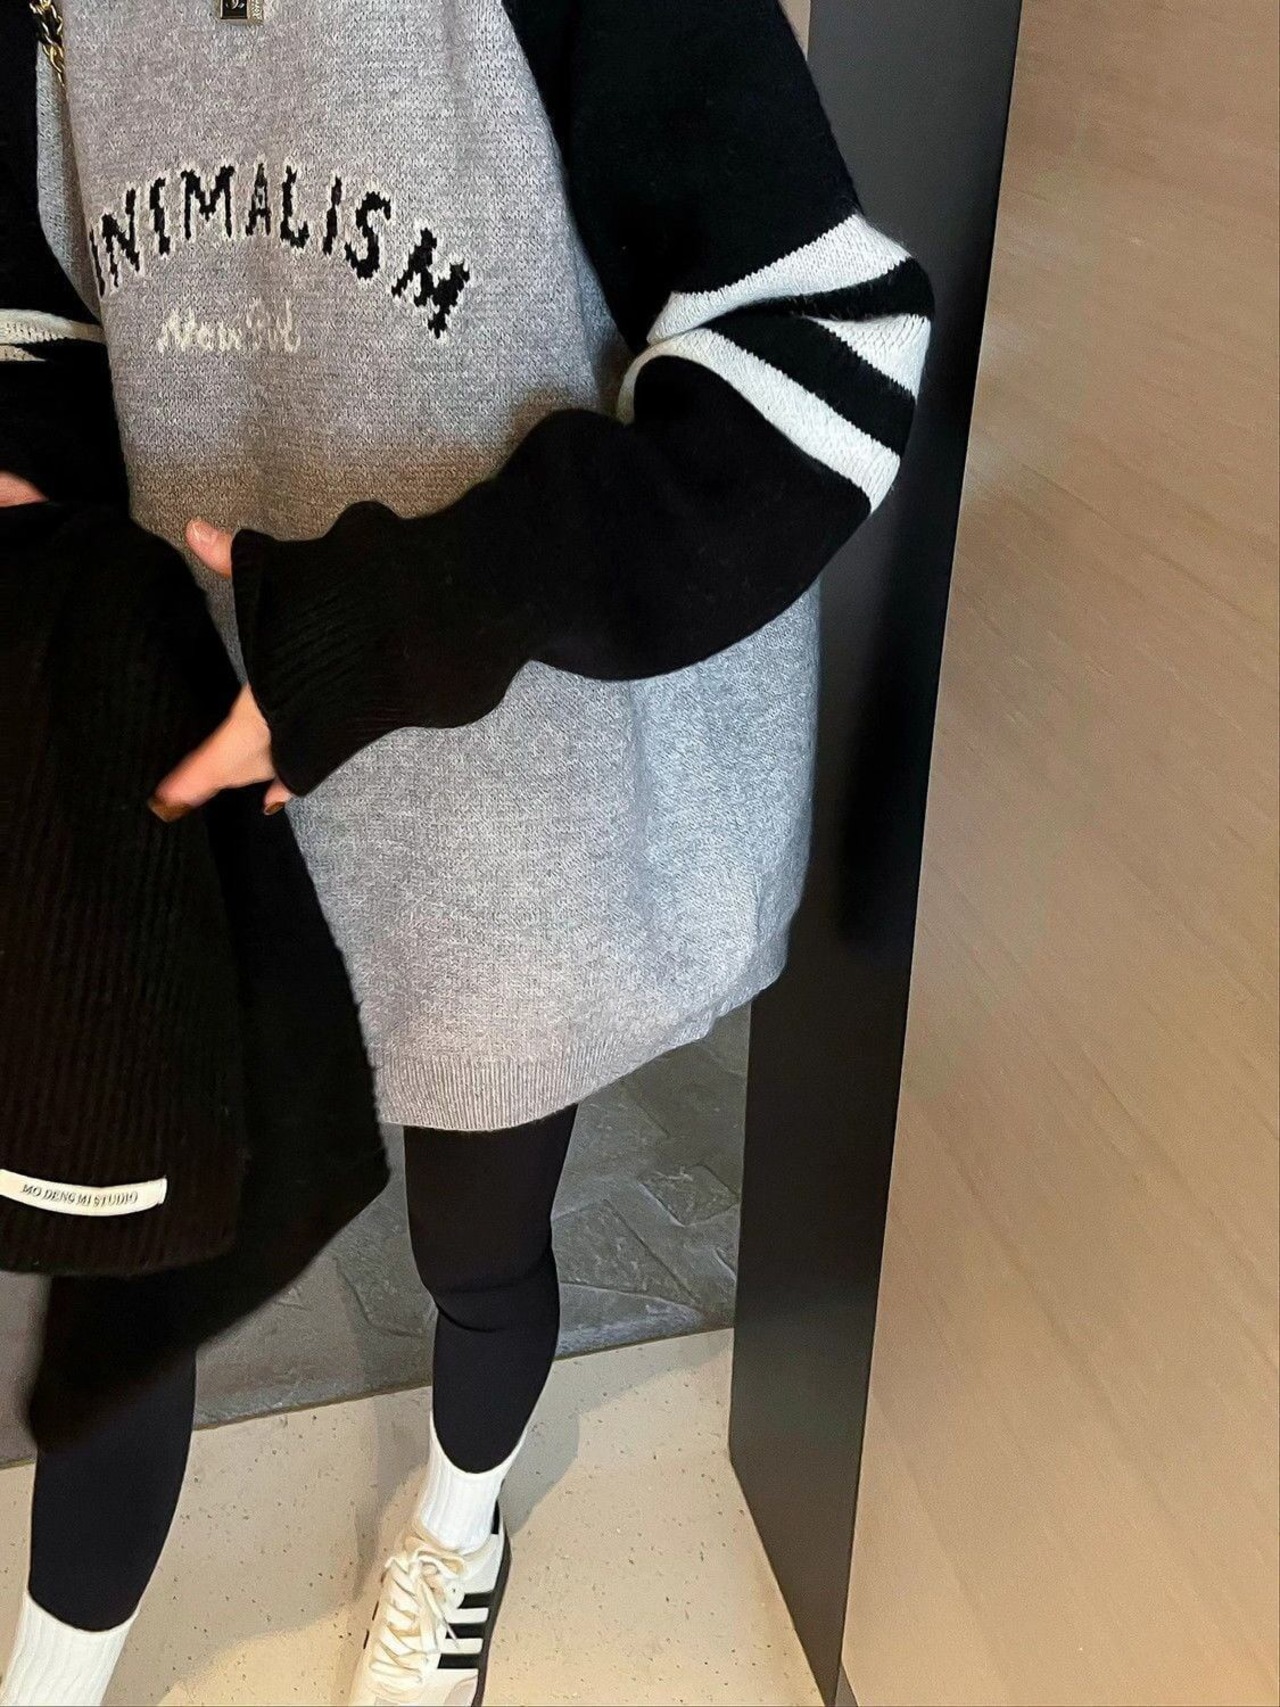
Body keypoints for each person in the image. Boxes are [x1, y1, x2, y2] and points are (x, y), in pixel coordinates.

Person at [0, 0, 932, 1701]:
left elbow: (823, 348)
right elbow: (42, 312)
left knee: (475, 1252)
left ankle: (460, 1517)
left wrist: (406, 613)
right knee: (131, 1281)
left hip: (507, 786)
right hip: (181, 768)